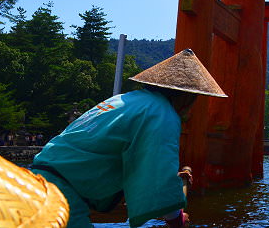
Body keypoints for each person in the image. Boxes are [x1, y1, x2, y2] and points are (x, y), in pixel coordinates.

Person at [30, 48, 227, 228]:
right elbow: (159, 182)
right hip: (59, 196)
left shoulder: (124, 100)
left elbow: (136, 167)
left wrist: (173, 181)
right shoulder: (162, 113)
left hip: (32, 184)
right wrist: (177, 218)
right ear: (185, 96)